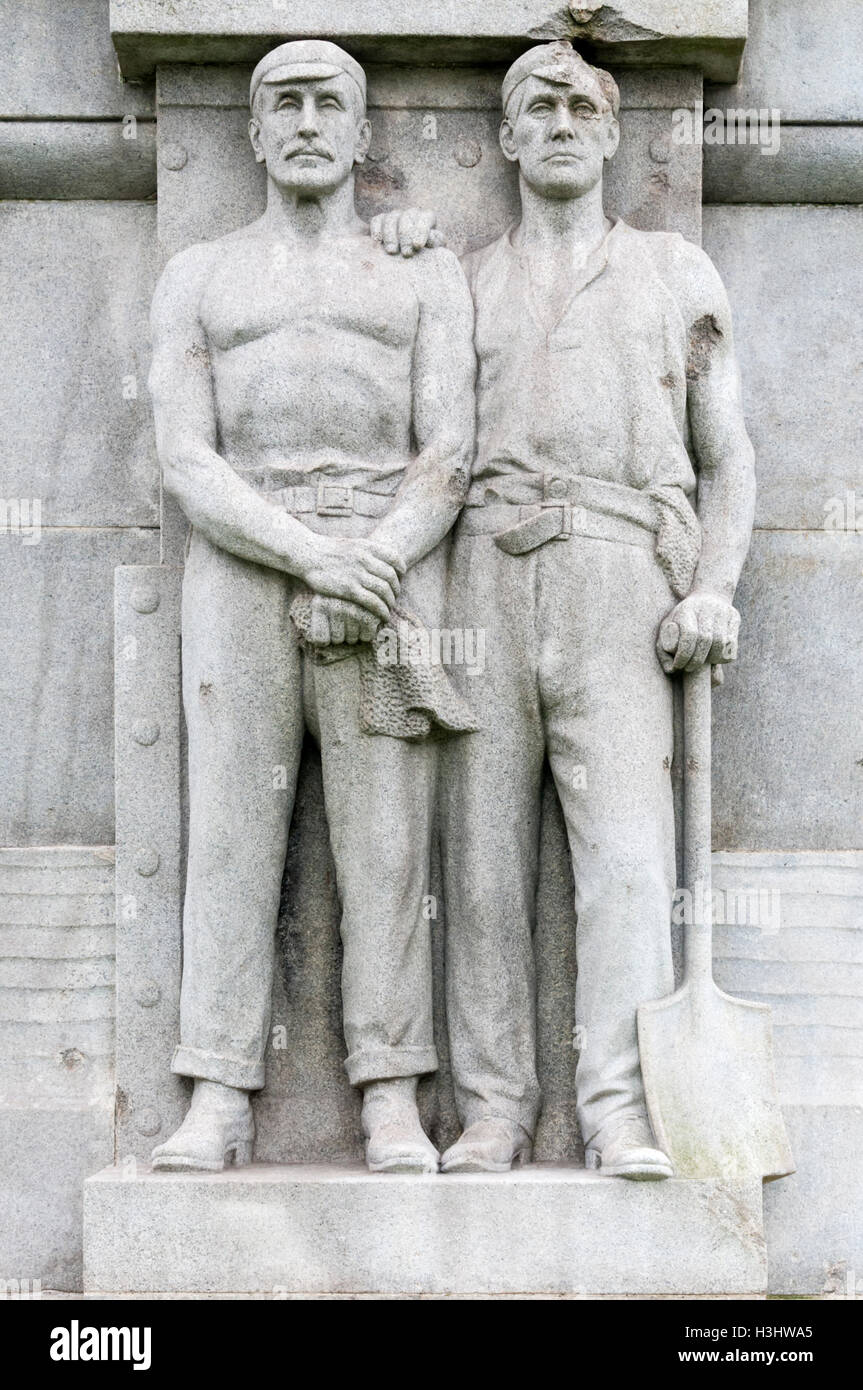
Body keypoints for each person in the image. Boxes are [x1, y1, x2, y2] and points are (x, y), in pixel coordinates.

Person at [376, 40, 755, 1178]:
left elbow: (726, 458)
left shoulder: (673, 270)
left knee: (628, 859)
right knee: (481, 858)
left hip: (619, 575)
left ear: (609, 132)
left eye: (579, 104)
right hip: (487, 566)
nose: (556, 121)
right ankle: (491, 1107)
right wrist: (391, 237)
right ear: (503, 138)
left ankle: (618, 1110)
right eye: (532, 106)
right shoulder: (459, 277)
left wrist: (712, 589)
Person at [147, 40, 475, 1174]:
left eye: (325, 101)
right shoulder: (199, 272)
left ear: (359, 130)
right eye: (278, 101)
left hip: (387, 559)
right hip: (243, 557)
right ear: (250, 131)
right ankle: (219, 1091)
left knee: (385, 843)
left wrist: (370, 555)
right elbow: (186, 457)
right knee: (230, 829)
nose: (301, 119)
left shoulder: (420, 269)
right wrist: (306, 555)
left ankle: (390, 1090)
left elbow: (450, 448)